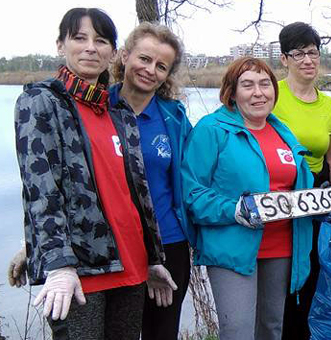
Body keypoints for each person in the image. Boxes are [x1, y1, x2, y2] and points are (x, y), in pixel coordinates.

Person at [12, 8, 171, 339]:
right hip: (81, 271)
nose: (90, 48)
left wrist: (153, 256)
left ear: (112, 52)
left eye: (100, 41)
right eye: (79, 38)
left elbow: (135, 192)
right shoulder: (41, 101)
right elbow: (42, 190)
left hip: (132, 266)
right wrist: (57, 264)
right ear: (61, 45)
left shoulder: (118, 111)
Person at [181, 57, 314, 340]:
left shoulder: (281, 131)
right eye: (248, 85)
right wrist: (236, 209)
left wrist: (315, 198)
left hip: (281, 247)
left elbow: (294, 183)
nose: (258, 92)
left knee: (271, 328)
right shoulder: (212, 129)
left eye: (265, 84)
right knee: (238, 332)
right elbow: (191, 193)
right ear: (232, 92)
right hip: (233, 248)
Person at [109, 22, 193, 340]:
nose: (150, 70)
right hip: (113, 245)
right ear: (125, 56)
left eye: (161, 66)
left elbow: (194, 174)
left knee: (162, 333)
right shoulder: (96, 108)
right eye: (144, 59)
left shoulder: (173, 117)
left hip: (168, 243)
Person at [273, 22, 331, 340]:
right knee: (281, 277)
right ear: (285, 58)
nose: (307, 60)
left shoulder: (329, 106)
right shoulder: (270, 94)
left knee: (312, 275)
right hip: (276, 198)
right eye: (298, 53)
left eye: (312, 52)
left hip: (315, 199)